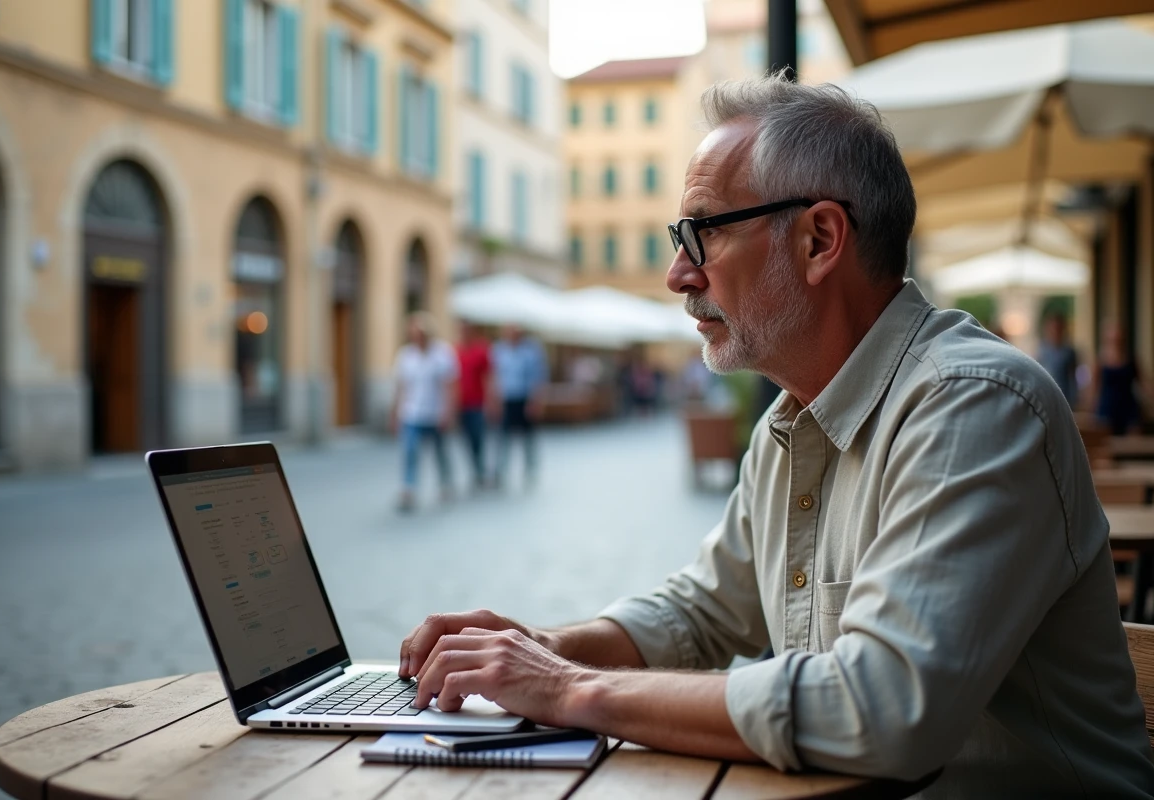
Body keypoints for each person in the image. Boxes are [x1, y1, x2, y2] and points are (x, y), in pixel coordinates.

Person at [394, 75, 1154, 797]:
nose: (677, 274)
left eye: (702, 234)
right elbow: (700, 611)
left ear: (820, 239)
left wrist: (569, 690)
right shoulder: (793, 420)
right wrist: (539, 649)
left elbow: (882, 710)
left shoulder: (974, 408)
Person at [390, 312, 457, 512]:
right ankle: (408, 489)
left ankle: (445, 483)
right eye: (414, 332)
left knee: (440, 452)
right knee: (410, 451)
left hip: (435, 413)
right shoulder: (405, 355)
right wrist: (394, 414)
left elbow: (449, 386)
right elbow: (401, 387)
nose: (418, 336)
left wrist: (449, 412)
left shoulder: (442, 354)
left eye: (421, 332)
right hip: (411, 413)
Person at [490, 325, 548, 488]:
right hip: (506, 399)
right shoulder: (499, 350)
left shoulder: (531, 351)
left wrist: (536, 401)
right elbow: (494, 376)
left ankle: (530, 470)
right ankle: (500, 471)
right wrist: (494, 401)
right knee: (503, 438)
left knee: (528, 438)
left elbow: (538, 377)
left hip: (524, 399)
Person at [455, 321, 492, 489]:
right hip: (461, 403)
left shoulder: (481, 349)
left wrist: (492, 401)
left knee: (478, 437)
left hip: (478, 403)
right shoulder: (455, 350)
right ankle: (476, 470)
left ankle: (480, 470)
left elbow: (489, 377)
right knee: (467, 439)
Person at [1094, 321, 1143, 436]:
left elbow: (1143, 383)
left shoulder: (1131, 359)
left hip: (1128, 407)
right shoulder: (1101, 360)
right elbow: (1094, 387)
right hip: (1107, 408)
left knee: (1133, 443)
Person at [1036, 311, 1079, 409]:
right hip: (1046, 395)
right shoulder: (1042, 350)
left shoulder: (1069, 352)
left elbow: (1073, 377)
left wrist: (1075, 398)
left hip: (1065, 396)